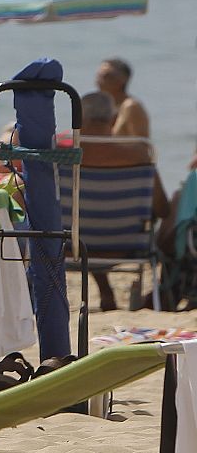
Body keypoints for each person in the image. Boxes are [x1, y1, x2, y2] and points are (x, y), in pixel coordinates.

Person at [75, 91, 170, 310]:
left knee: (86, 220)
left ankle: (106, 291)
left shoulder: (65, 155)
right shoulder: (139, 155)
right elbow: (162, 209)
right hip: (127, 245)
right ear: (114, 119)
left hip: (74, 246)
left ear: (78, 119)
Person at [95, 57, 150, 138]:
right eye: (99, 75)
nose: (101, 80)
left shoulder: (131, 107)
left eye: (107, 76)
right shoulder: (102, 107)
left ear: (124, 78)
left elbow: (141, 145)